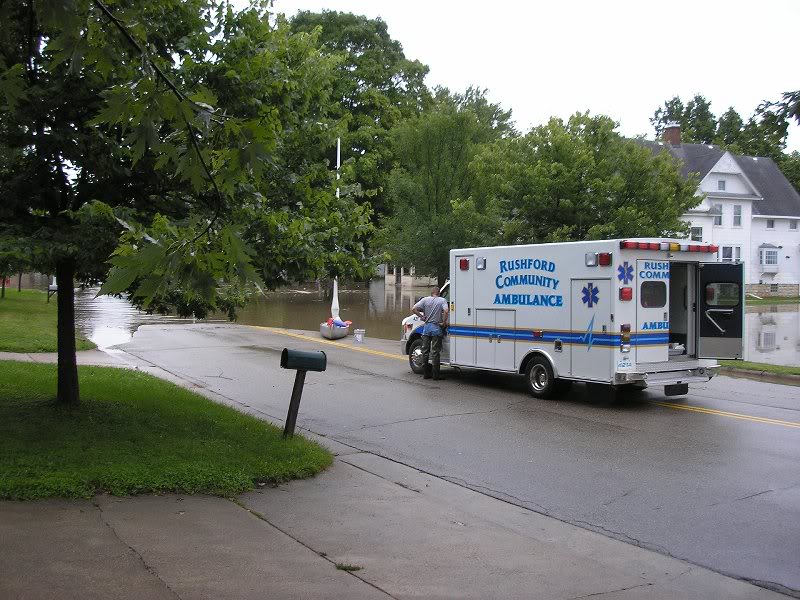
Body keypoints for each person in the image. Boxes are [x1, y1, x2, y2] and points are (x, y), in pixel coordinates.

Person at [411, 287, 449, 380]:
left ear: (431, 293)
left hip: (426, 329)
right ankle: (436, 375)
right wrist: (444, 322)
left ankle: (426, 374)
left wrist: (422, 317)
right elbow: (446, 311)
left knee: (425, 352)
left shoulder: (425, 300)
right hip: (436, 328)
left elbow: (414, 309)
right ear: (439, 293)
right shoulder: (442, 300)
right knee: (435, 352)